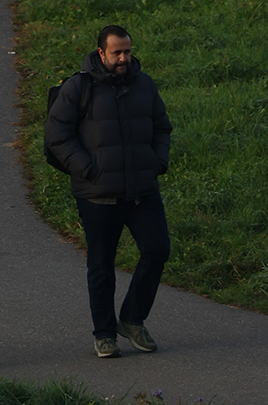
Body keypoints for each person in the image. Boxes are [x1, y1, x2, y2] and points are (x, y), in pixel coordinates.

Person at [44, 25, 172, 359]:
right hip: (97, 194)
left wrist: (158, 160)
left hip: (142, 190)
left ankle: (131, 319)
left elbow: (162, 125)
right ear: (101, 53)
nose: (123, 58)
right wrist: (86, 168)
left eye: (127, 51)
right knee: (101, 264)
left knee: (157, 250)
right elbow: (56, 136)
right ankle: (104, 334)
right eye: (117, 52)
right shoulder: (79, 87)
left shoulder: (144, 84)